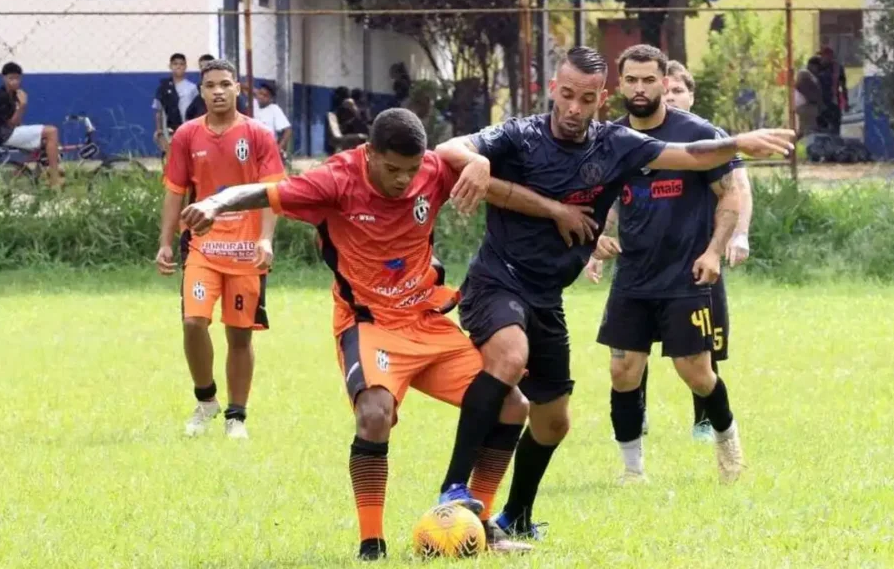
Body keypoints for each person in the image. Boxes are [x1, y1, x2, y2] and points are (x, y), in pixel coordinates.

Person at [175, 108, 600, 560]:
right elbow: (263, 191)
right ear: (370, 153)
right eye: (393, 169)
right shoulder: (335, 179)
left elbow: (487, 174)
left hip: (424, 317)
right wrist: (214, 203)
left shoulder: (433, 170)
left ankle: (478, 528)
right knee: (374, 415)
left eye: (411, 170)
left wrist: (492, 172)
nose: (403, 181)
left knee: (512, 405)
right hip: (369, 322)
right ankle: (371, 546)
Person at [435, 46, 793, 538]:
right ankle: (453, 488)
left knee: (554, 422)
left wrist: (738, 143)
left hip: (548, 295)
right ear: (552, 90)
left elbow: (689, 156)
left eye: (586, 99)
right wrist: (476, 162)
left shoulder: (615, 144)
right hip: (498, 277)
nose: (574, 108)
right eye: (566, 95)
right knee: (512, 357)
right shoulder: (520, 134)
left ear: (601, 100)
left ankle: (515, 519)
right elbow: (448, 150)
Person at [578, 45, 747, 486]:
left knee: (696, 373)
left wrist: (714, 250)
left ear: (663, 82)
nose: (640, 88)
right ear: (619, 86)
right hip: (633, 276)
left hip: (685, 274)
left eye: (648, 80)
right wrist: (596, 238)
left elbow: (730, 193)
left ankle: (728, 441)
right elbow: (602, 200)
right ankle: (632, 472)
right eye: (631, 80)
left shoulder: (696, 133)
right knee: (622, 370)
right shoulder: (610, 138)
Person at [155, 59, 284, 441]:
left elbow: (273, 191)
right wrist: (164, 241)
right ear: (201, 91)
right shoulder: (186, 136)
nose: (218, 91)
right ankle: (206, 399)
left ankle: (236, 416)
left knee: (240, 335)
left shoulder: (259, 134)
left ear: (237, 89)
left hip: (246, 252)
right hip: (202, 247)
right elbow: (175, 191)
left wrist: (265, 238)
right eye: (210, 85)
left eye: (225, 84)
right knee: (193, 322)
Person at [0, 62, 63, 188]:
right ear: (3, 78)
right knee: (52, 131)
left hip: (5, 132)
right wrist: (22, 106)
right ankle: (55, 180)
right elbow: (11, 124)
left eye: (17, 78)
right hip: (2, 135)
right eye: (11, 78)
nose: (14, 82)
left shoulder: (12, 95)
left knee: (46, 140)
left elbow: (15, 122)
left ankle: (40, 174)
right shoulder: (0, 96)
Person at [153, 53, 199, 155]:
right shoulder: (163, 88)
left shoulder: (192, 88)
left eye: (181, 64)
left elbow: (197, 111)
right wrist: (159, 131)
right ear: (170, 66)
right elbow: (158, 111)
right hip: (169, 131)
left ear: (186, 67)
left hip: (188, 129)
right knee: (172, 158)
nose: (178, 66)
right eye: (175, 64)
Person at [251, 82, 292, 152]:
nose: (261, 97)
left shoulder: (274, 109)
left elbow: (288, 130)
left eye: (265, 95)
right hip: (252, 147)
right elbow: (242, 87)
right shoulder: (252, 104)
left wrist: (279, 148)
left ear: (271, 99)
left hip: (267, 149)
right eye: (260, 93)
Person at [795, 57, 824, 138]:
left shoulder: (808, 75)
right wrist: (814, 100)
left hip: (806, 106)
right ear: (813, 66)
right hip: (806, 106)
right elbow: (805, 88)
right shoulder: (805, 75)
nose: (818, 70)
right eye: (818, 67)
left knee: (804, 130)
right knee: (808, 131)